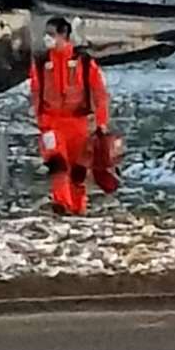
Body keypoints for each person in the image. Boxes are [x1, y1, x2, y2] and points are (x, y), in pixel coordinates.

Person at [29, 16, 109, 216]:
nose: (47, 38)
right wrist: (41, 122)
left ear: (63, 35)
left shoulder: (83, 62)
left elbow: (99, 93)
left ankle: (77, 208)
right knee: (57, 166)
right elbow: (36, 92)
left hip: (79, 123)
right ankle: (61, 204)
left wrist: (101, 122)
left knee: (77, 171)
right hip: (52, 122)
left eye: (51, 34)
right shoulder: (41, 62)